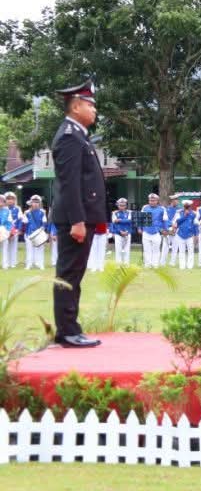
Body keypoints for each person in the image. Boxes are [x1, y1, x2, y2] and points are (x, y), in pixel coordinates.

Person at [49, 80, 105, 347]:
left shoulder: (79, 135)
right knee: (69, 274)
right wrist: (77, 220)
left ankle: (71, 328)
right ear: (75, 107)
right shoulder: (70, 136)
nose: (94, 110)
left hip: (83, 216)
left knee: (74, 274)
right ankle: (68, 331)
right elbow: (70, 183)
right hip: (76, 219)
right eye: (90, 105)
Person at [140, 193, 167, 268]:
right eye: (150, 200)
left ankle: (155, 265)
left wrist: (165, 230)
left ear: (157, 201)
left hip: (157, 232)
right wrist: (139, 228)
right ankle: (147, 265)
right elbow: (141, 219)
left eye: (153, 200)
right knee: (147, 249)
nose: (151, 202)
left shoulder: (162, 209)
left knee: (156, 249)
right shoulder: (145, 208)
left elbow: (165, 220)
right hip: (146, 231)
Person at [23, 196, 48, 270]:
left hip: (39, 234)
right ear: (31, 203)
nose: (35, 204)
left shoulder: (42, 212)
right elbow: (25, 222)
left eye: (37, 202)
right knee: (29, 250)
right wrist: (24, 215)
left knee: (40, 249)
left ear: (40, 203)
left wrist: (42, 230)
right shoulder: (27, 212)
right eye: (34, 202)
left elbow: (44, 223)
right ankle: (29, 264)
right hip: (29, 233)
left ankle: (40, 264)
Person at [175, 200, 198, 270]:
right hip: (180, 234)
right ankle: (182, 266)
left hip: (190, 235)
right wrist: (185, 216)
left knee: (190, 251)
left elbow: (195, 225)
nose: (187, 207)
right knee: (181, 251)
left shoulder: (194, 214)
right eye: (185, 206)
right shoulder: (179, 213)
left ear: (190, 206)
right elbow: (177, 222)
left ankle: (190, 266)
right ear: (184, 206)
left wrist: (196, 235)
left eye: (188, 206)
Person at [110, 198, 133, 265]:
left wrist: (119, 220)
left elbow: (130, 221)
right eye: (120, 205)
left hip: (127, 233)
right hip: (118, 233)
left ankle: (126, 264)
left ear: (126, 205)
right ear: (118, 205)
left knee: (127, 250)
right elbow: (114, 223)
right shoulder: (114, 213)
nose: (122, 207)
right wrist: (119, 231)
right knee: (118, 250)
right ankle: (118, 265)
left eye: (123, 205)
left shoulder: (129, 212)